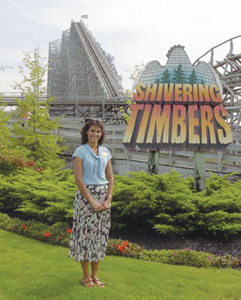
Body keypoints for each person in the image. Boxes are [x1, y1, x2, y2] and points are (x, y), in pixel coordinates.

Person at [69, 119, 114, 288]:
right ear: (86, 132)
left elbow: (110, 178)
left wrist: (108, 199)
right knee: (85, 237)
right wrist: (92, 201)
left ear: (101, 134)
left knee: (99, 237)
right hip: (85, 199)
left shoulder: (105, 152)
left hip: (103, 198)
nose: (95, 134)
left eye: (98, 132)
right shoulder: (80, 151)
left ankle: (95, 276)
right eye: (92, 131)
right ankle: (86, 276)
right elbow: (78, 179)